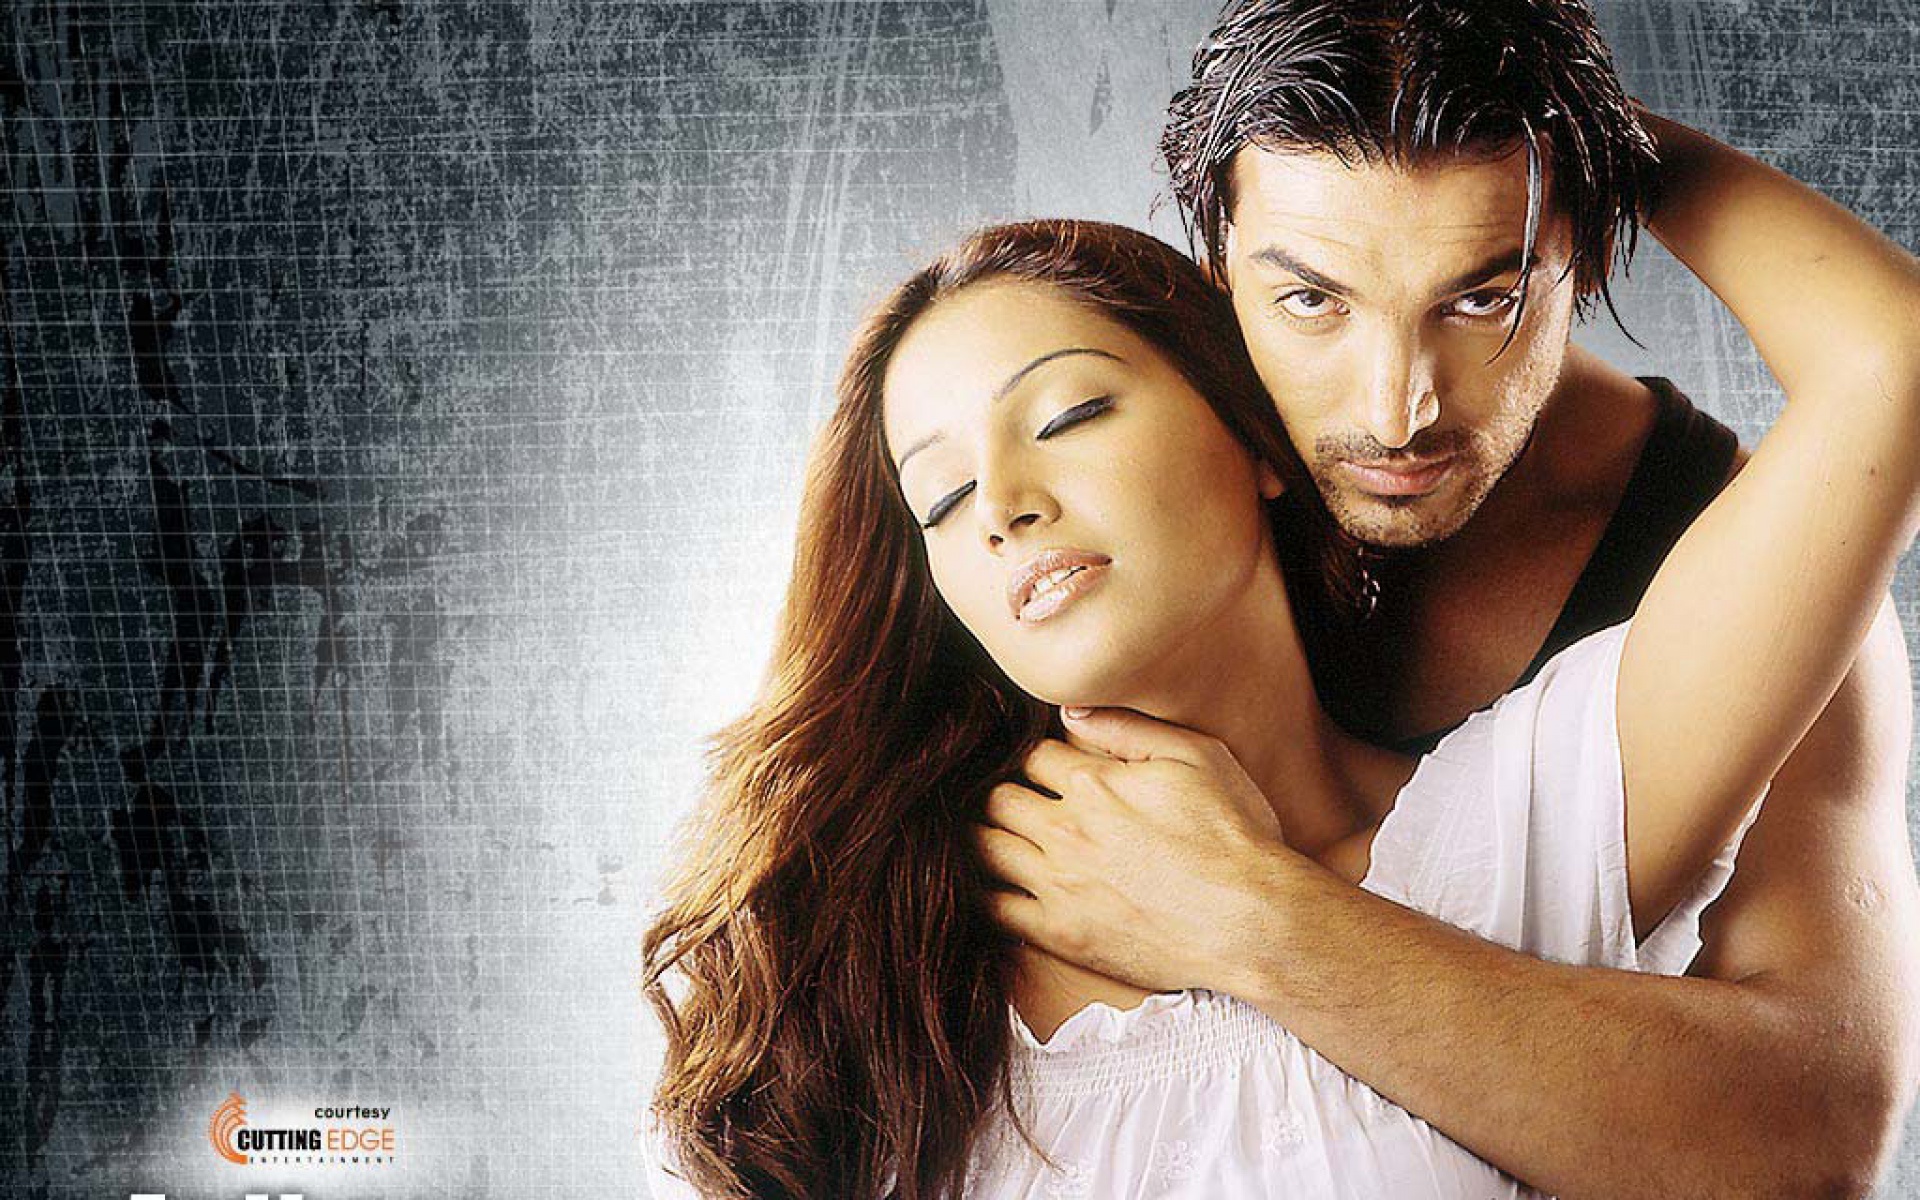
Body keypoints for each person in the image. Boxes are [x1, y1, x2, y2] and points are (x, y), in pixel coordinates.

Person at [640, 112, 1920, 1196]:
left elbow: (1894, 363)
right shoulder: (851, 972)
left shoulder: (1525, 818)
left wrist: (1571, 129)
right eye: (943, 496)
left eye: (1069, 414)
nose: (1004, 508)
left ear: (1255, 433)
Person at [981, 3, 1920, 1197]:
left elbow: (1815, 1141)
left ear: (1589, 251)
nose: (1396, 411)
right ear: (1217, 273)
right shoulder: (1157, 490)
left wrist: (1249, 920)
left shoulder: (1750, 564)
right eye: (1311, 301)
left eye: (1482, 298)